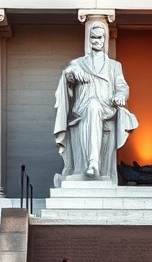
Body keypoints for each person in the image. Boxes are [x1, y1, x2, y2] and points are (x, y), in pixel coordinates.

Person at [54, 22, 138, 182]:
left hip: (106, 107)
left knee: (94, 106)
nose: (96, 41)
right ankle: (91, 164)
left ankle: (93, 163)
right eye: (93, 37)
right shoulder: (78, 63)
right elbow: (68, 77)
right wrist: (71, 71)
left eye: (99, 37)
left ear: (104, 39)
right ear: (89, 39)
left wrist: (120, 95)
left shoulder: (114, 66)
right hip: (82, 108)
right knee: (92, 106)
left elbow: (122, 86)